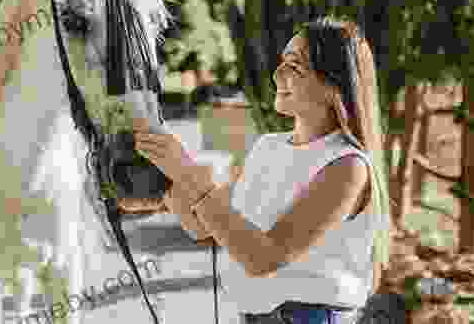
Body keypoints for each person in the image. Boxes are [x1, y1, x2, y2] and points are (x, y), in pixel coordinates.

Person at [133, 17, 392, 324]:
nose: (277, 74)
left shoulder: (347, 166)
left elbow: (263, 257)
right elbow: (201, 224)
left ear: (334, 86)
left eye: (294, 66)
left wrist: (187, 172)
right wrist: (160, 173)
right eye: (282, 62)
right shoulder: (268, 147)